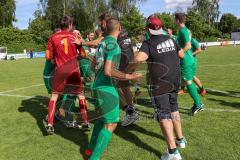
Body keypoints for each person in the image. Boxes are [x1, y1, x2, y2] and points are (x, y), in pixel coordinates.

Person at [81, 18, 142, 160]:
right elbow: (109, 71)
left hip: (96, 85)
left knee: (102, 118)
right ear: (119, 28)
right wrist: (129, 76)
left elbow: (94, 65)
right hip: (105, 87)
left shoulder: (102, 43)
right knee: (111, 123)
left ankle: (90, 150)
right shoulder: (114, 45)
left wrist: (90, 79)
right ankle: (94, 158)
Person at [129, 16, 186, 160]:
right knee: (174, 108)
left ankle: (173, 152)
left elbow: (138, 59)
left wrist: (128, 69)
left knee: (163, 114)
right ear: (161, 27)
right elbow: (181, 54)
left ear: (148, 29)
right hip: (174, 80)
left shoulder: (149, 43)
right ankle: (180, 140)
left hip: (160, 84)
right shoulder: (171, 39)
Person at [45, 15, 89, 134]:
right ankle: (85, 122)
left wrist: (56, 59)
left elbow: (48, 56)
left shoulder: (53, 37)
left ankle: (50, 124)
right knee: (80, 95)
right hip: (73, 71)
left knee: (54, 96)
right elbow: (84, 54)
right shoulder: (74, 36)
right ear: (70, 25)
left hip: (59, 71)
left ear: (60, 25)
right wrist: (78, 46)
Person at [174, 13, 205, 116]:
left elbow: (188, 45)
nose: (174, 21)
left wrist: (181, 52)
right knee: (184, 81)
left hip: (186, 60)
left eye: (174, 19)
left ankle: (198, 104)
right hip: (188, 59)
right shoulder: (184, 30)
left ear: (178, 20)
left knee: (188, 82)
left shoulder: (183, 30)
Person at [117, 29, 139, 126]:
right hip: (129, 62)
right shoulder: (125, 35)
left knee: (114, 88)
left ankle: (130, 111)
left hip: (123, 64)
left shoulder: (116, 36)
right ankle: (130, 110)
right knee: (125, 88)